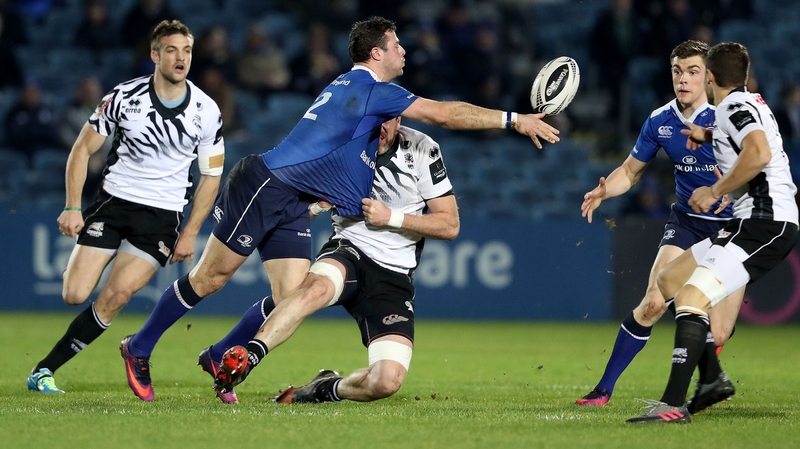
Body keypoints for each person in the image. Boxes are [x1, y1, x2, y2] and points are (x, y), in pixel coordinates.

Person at [120, 16, 559, 402]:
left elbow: (336, 158)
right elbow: (444, 113)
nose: (404, 50)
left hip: (296, 199)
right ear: (376, 53)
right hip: (266, 185)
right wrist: (513, 120)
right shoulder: (372, 89)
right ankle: (138, 348)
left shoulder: (353, 90)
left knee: (288, 297)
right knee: (209, 278)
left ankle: (219, 355)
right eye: (397, 45)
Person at [200, 116, 457, 404]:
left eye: (388, 120)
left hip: (394, 277)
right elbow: (304, 200)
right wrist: (310, 209)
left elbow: (449, 225)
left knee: (386, 381)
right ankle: (251, 356)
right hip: (350, 251)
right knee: (313, 289)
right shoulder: (345, 143)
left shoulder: (422, 148)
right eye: (376, 119)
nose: (380, 128)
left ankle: (323, 388)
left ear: (399, 119)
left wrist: (392, 218)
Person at [26, 20, 224, 394]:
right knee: (75, 294)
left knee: (116, 296)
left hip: (162, 217)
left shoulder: (207, 110)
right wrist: (72, 206)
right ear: (154, 55)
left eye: (186, 50)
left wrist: (191, 233)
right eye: (171, 50)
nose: (180, 58)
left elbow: (211, 177)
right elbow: (82, 149)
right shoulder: (124, 97)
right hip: (115, 204)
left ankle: (43, 370)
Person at [627, 42, 798, 424]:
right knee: (670, 279)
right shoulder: (742, 104)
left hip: (764, 222)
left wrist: (715, 190)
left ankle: (672, 405)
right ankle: (713, 380)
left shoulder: (734, 108)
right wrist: (709, 138)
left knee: (690, 299)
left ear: (710, 76)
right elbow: (756, 142)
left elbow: (758, 154)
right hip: (753, 219)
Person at [576, 40, 745, 407]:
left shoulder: (729, 116)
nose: (683, 80)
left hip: (733, 230)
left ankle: (708, 383)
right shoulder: (660, 120)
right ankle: (603, 390)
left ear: (709, 76)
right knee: (654, 301)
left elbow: (759, 161)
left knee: (717, 332)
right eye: (677, 71)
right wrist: (606, 191)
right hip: (686, 222)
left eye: (693, 72)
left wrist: (735, 188)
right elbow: (630, 172)